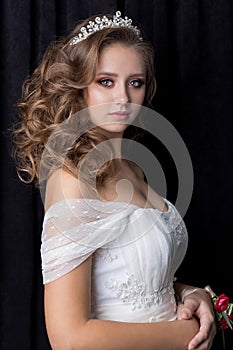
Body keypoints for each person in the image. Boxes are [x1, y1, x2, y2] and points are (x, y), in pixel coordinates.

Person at [13, 11, 216, 350]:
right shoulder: (72, 179)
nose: (123, 98)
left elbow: (140, 279)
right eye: (105, 81)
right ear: (79, 89)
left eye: (134, 82)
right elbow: (69, 338)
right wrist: (186, 334)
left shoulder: (134, 170)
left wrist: (193, 294)